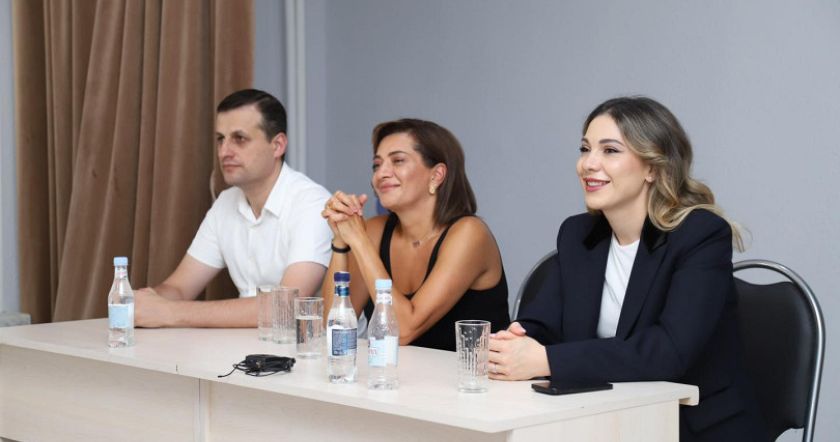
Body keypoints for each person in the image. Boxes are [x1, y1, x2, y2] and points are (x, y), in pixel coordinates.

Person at [489, 97, 768, 441]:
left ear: (653, 168)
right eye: (585, 149)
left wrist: (545, 360)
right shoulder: (578, 235)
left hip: (691, 427)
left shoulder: (700, 234)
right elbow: (542, 323)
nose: (588, 164)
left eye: (610, 151)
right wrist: (518, 341)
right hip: (606, 420)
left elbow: (668, 351)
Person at [134, 89, 332, 328]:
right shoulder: (225, 203)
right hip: (248, 344)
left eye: (239, 139)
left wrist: (169, 312)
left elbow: (285, 307)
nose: (224, 152)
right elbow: (179, 288)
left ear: (277, 145)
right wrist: (143, 302)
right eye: (221, 139)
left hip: (312, 346)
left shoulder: (312, 203)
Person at [320, 119, 510, 351]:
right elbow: (333, 327)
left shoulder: (470, 234)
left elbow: (404, 330)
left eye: (398, 161)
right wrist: (341, 241)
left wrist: (359, 241)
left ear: (436, 175)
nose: (381, 174)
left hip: (473, 373)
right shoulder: (376, 230)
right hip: (397, 372)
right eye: (377, 165)